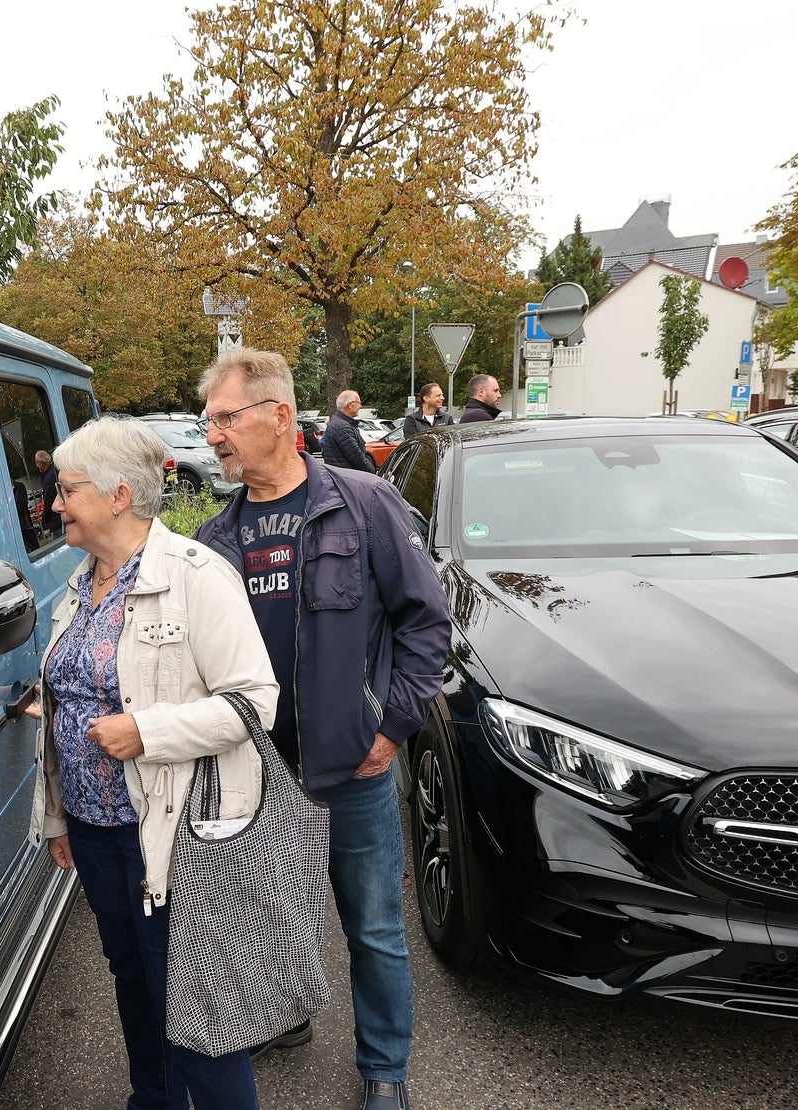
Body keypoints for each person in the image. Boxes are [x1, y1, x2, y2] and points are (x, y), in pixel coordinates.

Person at [195, 348, 453, 1110]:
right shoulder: (217, 538)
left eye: (225, 418)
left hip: (355, 771)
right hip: (261, 776)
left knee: (372, 929)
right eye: (207, 422)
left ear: (279, 416)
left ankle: (384, 1069)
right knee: (272, 911)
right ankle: (288, 1015)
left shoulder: (364, 503)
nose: (213, 436)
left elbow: (426, 622)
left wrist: (391, 728)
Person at [27, 416, 278, 1110]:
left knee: (193, 997)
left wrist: (147, 731)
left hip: (172, 832)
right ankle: (154, 1100)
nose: (55, 505)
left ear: (115, 495)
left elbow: (257, 704)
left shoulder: (196, 577)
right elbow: (67, 695)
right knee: (133, 979)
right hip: (96, 831)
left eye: (66, 490)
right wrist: (56, 816)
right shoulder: (81, 584)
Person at [319, 389, 376, 473]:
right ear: (350, 405)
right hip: (347, 480)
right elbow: (358, 459)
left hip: (341, 477)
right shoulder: (343, 428)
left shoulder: (338, 423)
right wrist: (373, 471)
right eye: (359, 403)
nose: (360, 406)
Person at [35, 449, 62, 536]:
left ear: (40, 463)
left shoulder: (49, 479)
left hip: (56, 521)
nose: (37, 466)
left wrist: (44, 519)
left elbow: (48, 501)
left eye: (36, 463)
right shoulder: (55, 471)